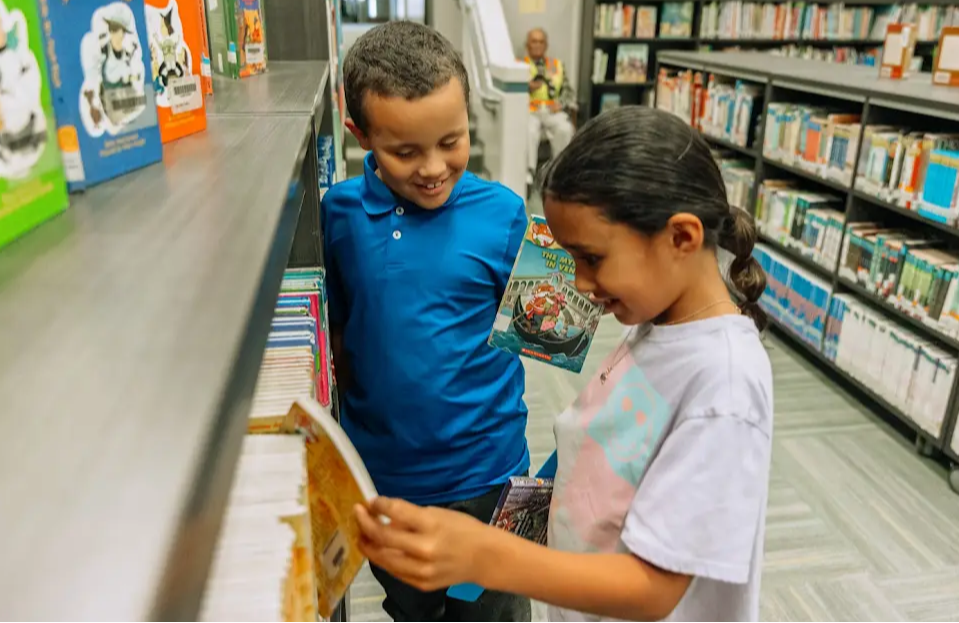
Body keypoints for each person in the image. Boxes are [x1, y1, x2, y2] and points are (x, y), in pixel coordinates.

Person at [354, 106, 775, 623]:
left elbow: (653, 589)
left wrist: (483, 555)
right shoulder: (657, 323)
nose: (576, 284)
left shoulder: (724, 390)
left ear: (681, 239)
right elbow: (602, 449)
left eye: (591, 259)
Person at [322, 21, 532, 623]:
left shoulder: (506, 212)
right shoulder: (338, 214)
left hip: (494, 473)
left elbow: (557, 339)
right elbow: (338, 334)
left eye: (452, 140)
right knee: (411, 611)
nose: (434, 168)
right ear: (360, 135)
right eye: (405, 151)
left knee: (497, 615)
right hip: (389, 483)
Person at [524, 27, 575, 184]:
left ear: (546, 45)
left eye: (541, 42)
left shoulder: (556, 65)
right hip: (530, 111)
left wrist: (561, 104)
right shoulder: (520, 66)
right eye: (534, 41)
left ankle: (560, 171)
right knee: (529, 130)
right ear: (527, 45)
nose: (538, 45)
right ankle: (528, 173)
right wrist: (526, 87)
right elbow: (512, 95)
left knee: (565, 129)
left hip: (553, 112)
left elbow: (569, 92)